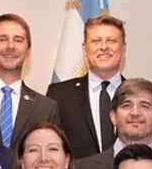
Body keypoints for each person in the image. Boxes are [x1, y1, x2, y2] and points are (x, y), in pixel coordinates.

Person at [47, 14, 127, 159]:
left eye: (111, 41)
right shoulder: (59, 95)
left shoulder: (140, 95)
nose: (104, 47)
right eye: (96, 41)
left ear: (123, 48)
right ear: (85, 49)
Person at [0, 13, 62, 150]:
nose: (10, 46)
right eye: (2, 39)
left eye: (18, 40)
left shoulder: (46, 108)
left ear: (28, 51)